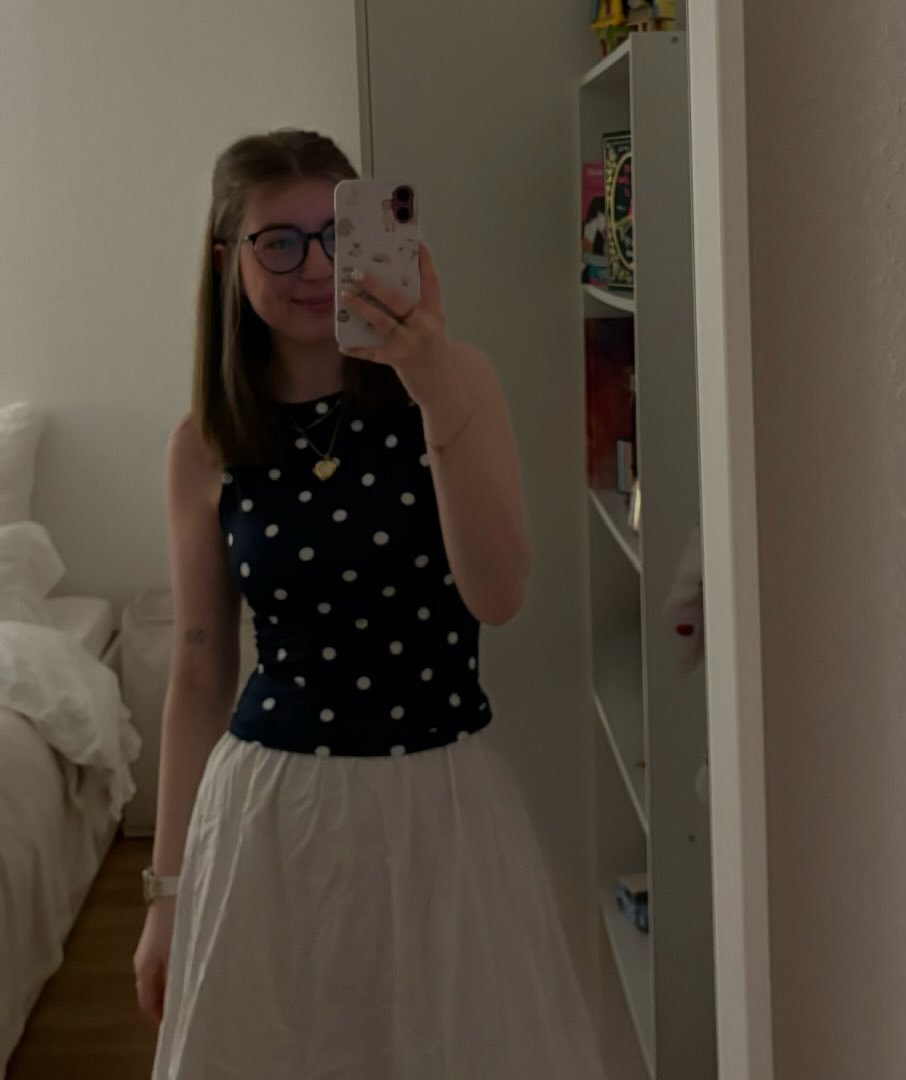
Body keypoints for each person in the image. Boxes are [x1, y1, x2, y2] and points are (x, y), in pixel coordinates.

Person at [133, 129, 605, 1079]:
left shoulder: (458, 380)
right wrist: (166, 896)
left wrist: (431, 392)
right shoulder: (206, 441)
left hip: (441, 802)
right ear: (228, 261)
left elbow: (499, 595)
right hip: (271, 816)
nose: (315, 267)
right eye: (279, 241)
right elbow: (199, 671)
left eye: (337, 235)